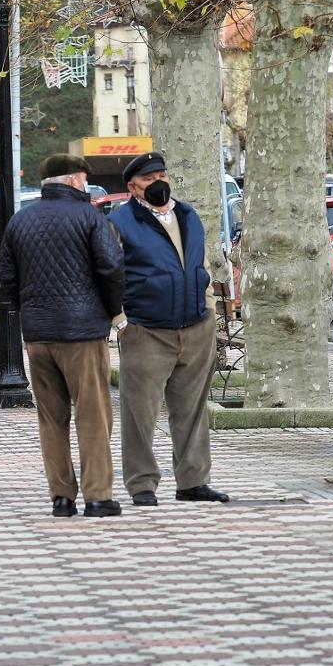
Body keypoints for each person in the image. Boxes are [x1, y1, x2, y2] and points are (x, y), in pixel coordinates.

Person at [0, 155, 126, 518]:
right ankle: (98, 496)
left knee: (51, 419)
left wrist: (28, 306)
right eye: (83, 179)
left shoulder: (20, 221)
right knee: (93, 414)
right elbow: (112, 266)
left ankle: (62, 498)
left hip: (38, 335)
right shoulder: (89, 218)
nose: (85, 186)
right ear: (72, 181)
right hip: (83, 332)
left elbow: (6, 275)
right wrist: (111, 310)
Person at [110, 152, 230, 507]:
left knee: (192, 410)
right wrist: (120, 322)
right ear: (133, 187)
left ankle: (193, 481)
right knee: (139, 413)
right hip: (146, 331)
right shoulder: (120, 222)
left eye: (162, 174)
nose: (158, 182)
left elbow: (202, 263)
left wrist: (209, 309)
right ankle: (142, 484)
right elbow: (108, 273)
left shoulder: (189, 215)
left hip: (195, 326)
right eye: (149, 179)